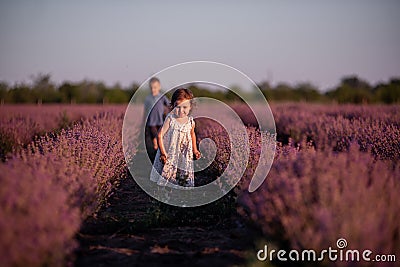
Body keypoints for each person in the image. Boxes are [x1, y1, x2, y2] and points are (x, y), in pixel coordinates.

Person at [150, 88, 201, 188]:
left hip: (184, 153)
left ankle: (180, 194)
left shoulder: (190, 121)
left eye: (184, 107)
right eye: (177, 107)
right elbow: (160, 135)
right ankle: (165, 194)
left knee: (183, 174)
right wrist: (163, 153)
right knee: (168, 174)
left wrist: (195, 150)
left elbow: (192, 134)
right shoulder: (171, 118)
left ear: (190, 107)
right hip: (171, 153)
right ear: (172, 106)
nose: (181, 111)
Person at [143, 77, 170, 161]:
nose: (153, 89)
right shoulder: (148, 98)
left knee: (161, 135)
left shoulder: (162, 97)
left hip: (160, 121)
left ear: (159, 87)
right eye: (151, 88)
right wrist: (144, 121)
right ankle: (156, 151)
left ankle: (159, 151)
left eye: (155, 87)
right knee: (155, 137)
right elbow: (145, 111)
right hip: (151, 122)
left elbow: (168, 104)